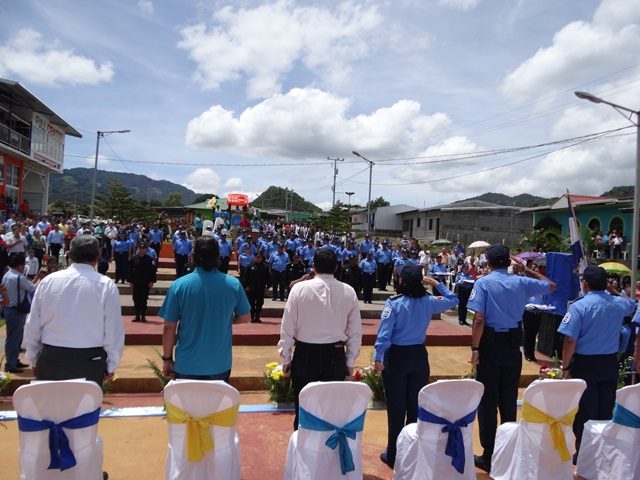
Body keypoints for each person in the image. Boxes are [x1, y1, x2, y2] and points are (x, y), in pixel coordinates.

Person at [467, 244, 556, 473]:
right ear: (509, 262)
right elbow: (551, 286)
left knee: (488, 402)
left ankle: (489, 454)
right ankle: (508, 451)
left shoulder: (483, 283)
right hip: (512, 347)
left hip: (490, 346)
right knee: (508, 400)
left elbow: (478, 318)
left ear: (488, 263)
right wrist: (526, 270)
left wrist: (475, 348)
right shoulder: (521, 282)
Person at [374, 264, 459, 468]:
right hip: (419, 356)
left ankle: (393, 454)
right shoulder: (428, 301)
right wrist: (437, 283)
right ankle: (411, 452)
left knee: (396, 409)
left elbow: (384, 334)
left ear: (401, 281)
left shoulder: (394, 303)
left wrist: (378, 358)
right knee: (414, 408)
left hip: (397, 357)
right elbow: (453, 299)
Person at [558, 265, 636, 460]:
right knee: (605, 409)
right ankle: (602, 452)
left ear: (585, 284)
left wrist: (565, 367)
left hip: (586, 364)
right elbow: (633, 305)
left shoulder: (579, 306)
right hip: (609, 363)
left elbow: (570, 340)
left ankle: (585, 454)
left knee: (586, 410)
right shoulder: (618, 304)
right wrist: (612, 291)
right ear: (606, 284)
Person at [278, 249, 362, 429]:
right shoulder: (349, 292)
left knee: (304, 410)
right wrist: (350, 361)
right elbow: (355, 332)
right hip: (335, 355)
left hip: (305, 354)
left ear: (314, 266)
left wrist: (286, 357)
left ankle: (303, 444)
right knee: (332, 412)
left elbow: (287, 326)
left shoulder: (299, 289)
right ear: (336, 267)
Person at [24, 236, 124, 386]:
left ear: (69, 255)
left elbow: (33, 324)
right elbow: (113, 330)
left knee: (50, 401)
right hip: (90, 360)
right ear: (98, 255)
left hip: (52, 358)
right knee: (86, 402)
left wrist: (33, 358)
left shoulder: (48, 281)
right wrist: (111, 364)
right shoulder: (106, 285)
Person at [160, 236, 251, 381]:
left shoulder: (179, 285)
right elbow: (245, 317)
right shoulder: (233, 284)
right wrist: (227, 319)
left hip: (187, 363)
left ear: (194, 255)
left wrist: (167, 359)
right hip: (219, 364)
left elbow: (169, 327)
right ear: (218, 255)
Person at [2, 254, 35, 373]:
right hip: (16, 310)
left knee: (14, 337)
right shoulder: (19, 278)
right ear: (20, 266)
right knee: (14, 338)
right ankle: (11, 364)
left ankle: (13, 360)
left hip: (9, 309)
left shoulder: (7, 275)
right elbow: (32, 288)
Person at [130, 241, 157, 323]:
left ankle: (143, 316)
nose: (141, 250)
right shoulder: (134, 258)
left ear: (146, 249)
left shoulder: (149, 259)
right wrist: (130, 281)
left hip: (146, 283)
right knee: (136, 298)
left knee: (144, 298)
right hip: (136, 282)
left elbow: (153, 271)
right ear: (138, 249)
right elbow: (130, 271)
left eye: (143, 248)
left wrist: (152, 281)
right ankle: (137, 315)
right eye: (140, 248)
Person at [244, 252, 270, 323]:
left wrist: (267, 286)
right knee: (251, 303)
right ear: (254, 257)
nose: (258, 258)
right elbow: (245, 277)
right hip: (251, 288)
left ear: (261, 258)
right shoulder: (250, 266)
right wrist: (246, 286)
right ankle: (252, 317)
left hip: (261, 288)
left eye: (259, 257)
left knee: (260, 303)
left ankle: (257, 317)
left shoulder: (265, 267)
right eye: (257, 257)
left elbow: (268, 277)